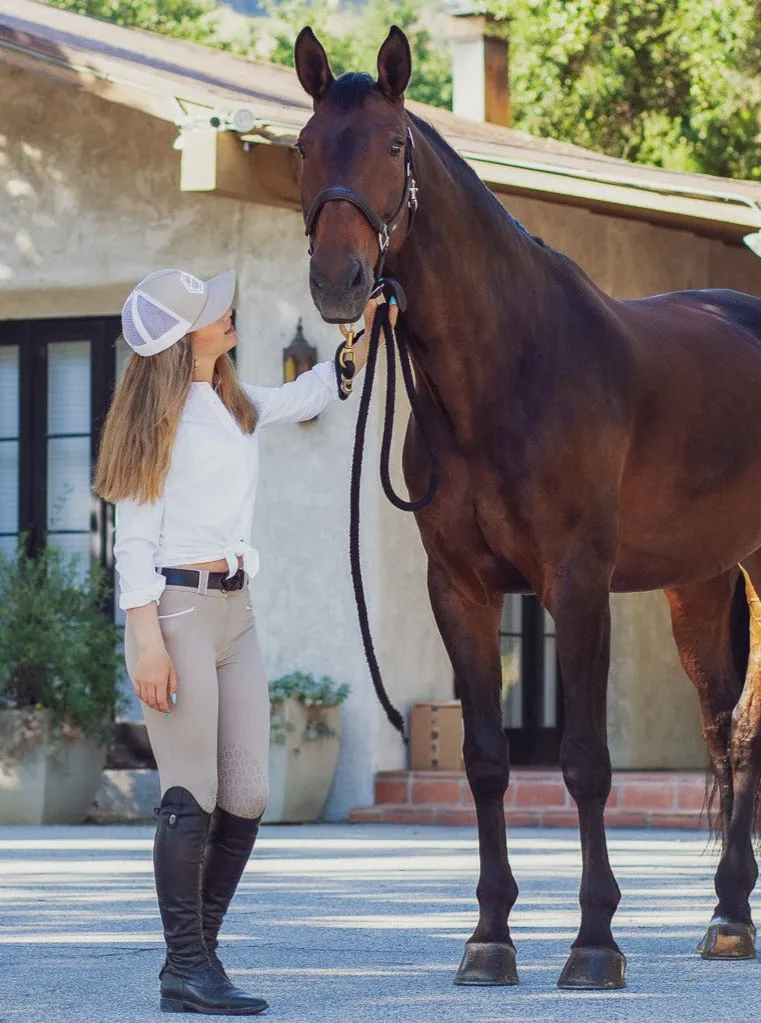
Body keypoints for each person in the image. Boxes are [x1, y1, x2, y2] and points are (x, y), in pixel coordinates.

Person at [95, 268, 396, 1016]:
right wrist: (146, 643)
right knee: (190, 794)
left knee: (249, 793)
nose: (227, 313)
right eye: (211, 311)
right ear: (178, 337)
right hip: (176, 612)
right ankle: (186, 966)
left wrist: (358, 338)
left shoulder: (230, 399)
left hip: (236, 611)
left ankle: (198, 956)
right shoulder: (155, 420)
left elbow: (306, 396)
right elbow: (132, 541)